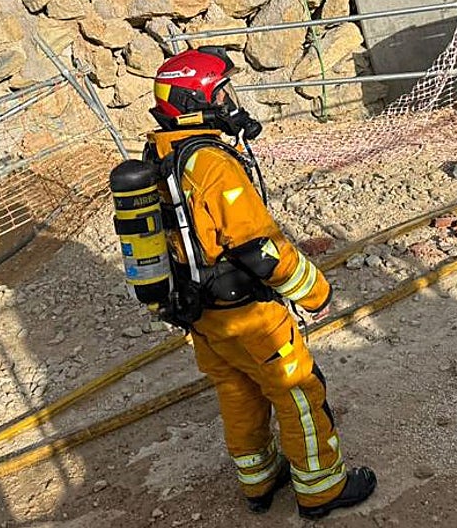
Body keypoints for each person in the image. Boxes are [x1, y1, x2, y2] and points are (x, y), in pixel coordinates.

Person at [141, 46, 376, 519]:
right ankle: (321, 489)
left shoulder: (159, 155)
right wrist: (314, 291)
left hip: (202, 315)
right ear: (195, 103)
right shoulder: (210, 163)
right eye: (221, 92)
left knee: (237, 391)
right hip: (248, 313)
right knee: (299, 391)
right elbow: (258, 248)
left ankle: (259, 480)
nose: (230, 101)